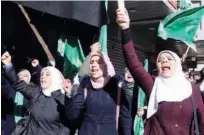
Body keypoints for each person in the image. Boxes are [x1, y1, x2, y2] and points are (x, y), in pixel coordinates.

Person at [116, 8, 204, 135]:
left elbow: (202, 123)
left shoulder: (193, 90)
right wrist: (125, 29)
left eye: (169, 59)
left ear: (178, 65)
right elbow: (133, 64)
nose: (164, 62)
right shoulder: (153, 85)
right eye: (160, 60)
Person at [1, 51, 71, 135]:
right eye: (42, 74)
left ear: (55, 78)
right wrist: (8, 65)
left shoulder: (62, 99)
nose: (43, 76)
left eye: (47, 74)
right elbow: (18, 83)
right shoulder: (36, 92)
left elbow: (68, 125)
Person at [64, 51, 132, 135]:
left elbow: (125, 117)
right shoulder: (85, 83)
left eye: (99, 62)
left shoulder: (116, 84)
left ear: (106, 65)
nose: (94, 65)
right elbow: (73, 115)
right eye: (92, 62)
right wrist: (68, 95)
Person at [122, 68, 147, 135]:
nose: (129, 73)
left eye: (131, 72)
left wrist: (144, 111)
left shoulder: (140, 90)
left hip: (135, 123)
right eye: (127, 72)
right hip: (121, 124)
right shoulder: (119, 88)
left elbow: (147, 105)